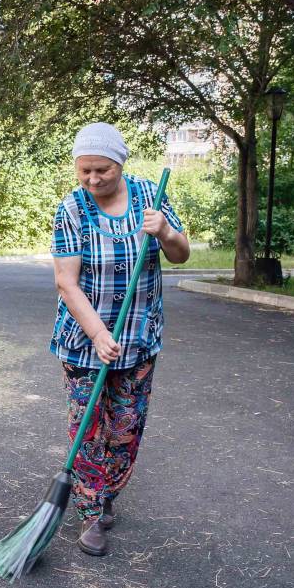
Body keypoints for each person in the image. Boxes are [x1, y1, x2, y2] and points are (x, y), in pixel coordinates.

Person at [50, 122, 189, 557]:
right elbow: (66, 283)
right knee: (90, 428)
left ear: (120, 165)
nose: (92, 180)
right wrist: (97, 333)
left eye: (102, 171)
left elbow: (181, 254)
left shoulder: (151, 196)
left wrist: (166, 232)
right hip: (84, 339)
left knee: (126, 428)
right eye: (84, 170)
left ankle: (106, 492)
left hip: (139, 336)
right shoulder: (71, 209)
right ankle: (91, 512)